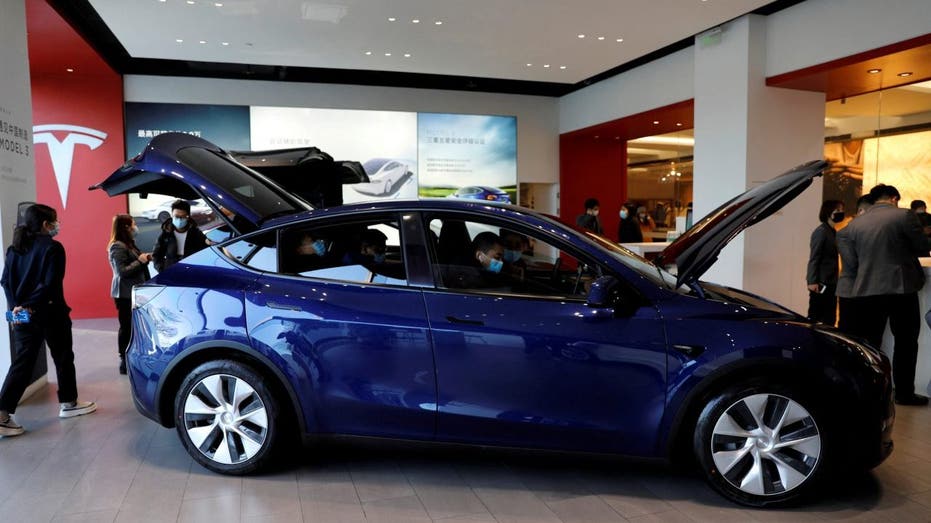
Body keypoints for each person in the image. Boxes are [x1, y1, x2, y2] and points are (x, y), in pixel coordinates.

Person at [0, 204, 97, 436]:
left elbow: (5, 281)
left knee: (22, 362)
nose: (57, 225)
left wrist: (16, 307)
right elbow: (50, 284)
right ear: (46, 224)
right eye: (54, 221)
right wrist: (30, 305)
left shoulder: (15, 249)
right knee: (63, 357)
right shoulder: (53, 248)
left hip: (21, 314)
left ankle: (2, 413)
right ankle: (69, 403)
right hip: (50, 313)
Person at [836, 184, 931, 406]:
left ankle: (871, 391)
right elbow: (921, 247)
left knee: (870, 344)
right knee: (906, 342)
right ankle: (904, 393)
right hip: (901, 288)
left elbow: (852, 262)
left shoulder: (854, 224)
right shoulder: (903, 215)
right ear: (894, 198)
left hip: (866, 290)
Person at [108, 214, 152, 375]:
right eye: (133, 224)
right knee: (126, 327)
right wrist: (140, 261)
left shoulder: (129, 244)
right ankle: (124, 360)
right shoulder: (117, 246)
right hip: (125, 294)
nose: (135, 227)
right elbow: (122, 272)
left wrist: (144, 259)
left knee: (135, 326)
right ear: (126, 227)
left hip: (134, 291)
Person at [806, 200, 844, 325]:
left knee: (829, 318)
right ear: (828, 212)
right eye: (837, 210)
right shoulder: (822, 231)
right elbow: (814, 257)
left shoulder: (833, 232)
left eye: (841, 210)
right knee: (816, 317)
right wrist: (812, 281)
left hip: (831, 282)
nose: (841, 213)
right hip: (821, 283)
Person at [152, 199, 208, 272]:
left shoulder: (196, 233)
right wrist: (162, 270)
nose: (179, 220)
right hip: (171, 272)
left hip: (192, 271)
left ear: (188, 216)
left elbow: (205, 251)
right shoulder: (166, 234)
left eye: (183, 217)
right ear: (172, 215)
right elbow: (156, 255)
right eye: (176, 216)